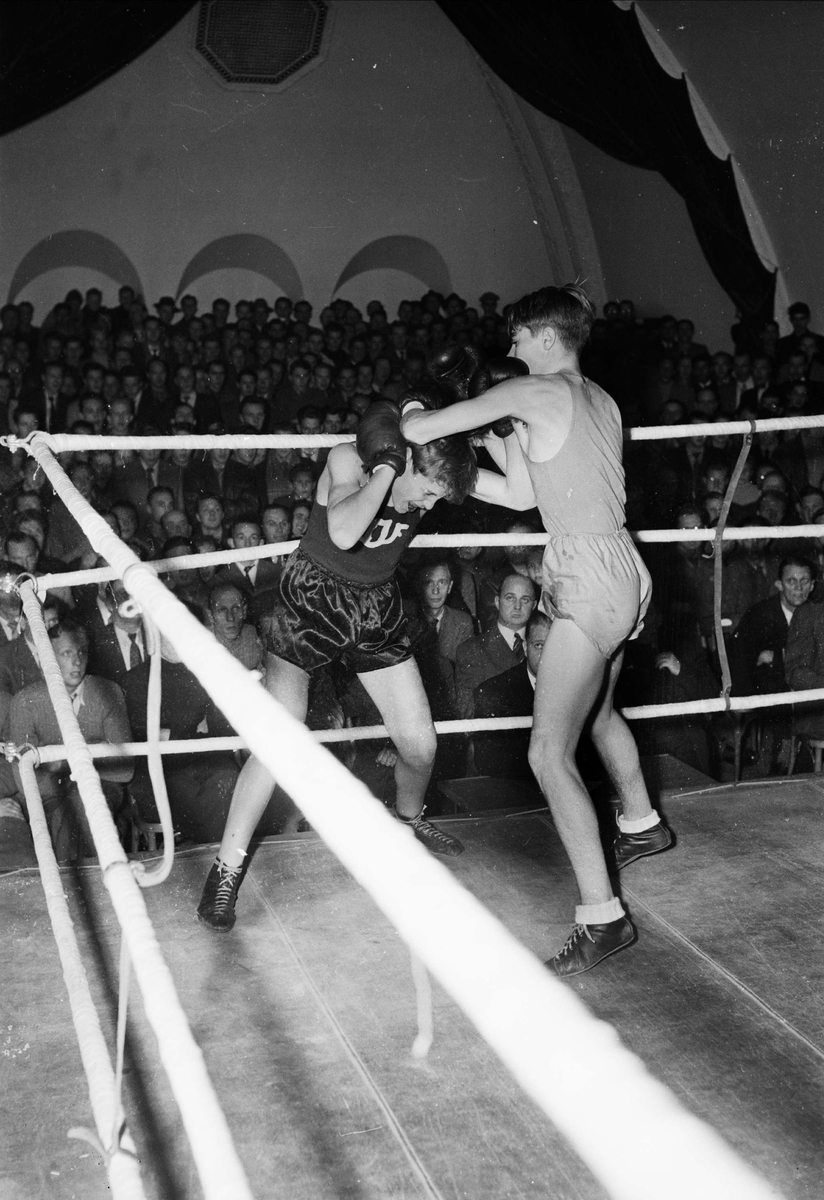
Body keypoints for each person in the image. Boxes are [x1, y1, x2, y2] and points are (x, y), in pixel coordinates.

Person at [402, 285, 671, 976]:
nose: (511, 351)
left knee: (548, 752)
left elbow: (416, 431)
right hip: (624, 566)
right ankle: (640, 820)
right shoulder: (598, 399)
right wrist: (469, 465)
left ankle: (601, 917)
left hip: (585, 567)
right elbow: (521, 493)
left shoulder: (534, 392)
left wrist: (420, 401)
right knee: (598, 706)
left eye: (518, 338)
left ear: (547, 339)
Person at [196, 402, 478, 931]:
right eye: (429, 489)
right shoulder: (348, 459)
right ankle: (226, 869)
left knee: (421, 745)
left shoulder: (435, 469)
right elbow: (345, 533)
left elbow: (518, 493)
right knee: (279, 741)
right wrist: (389, 468)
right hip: (312, 601)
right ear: (408, 459)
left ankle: (408, 821)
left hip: (375, 605)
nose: (431, 503)